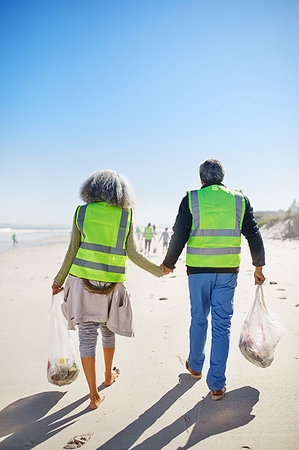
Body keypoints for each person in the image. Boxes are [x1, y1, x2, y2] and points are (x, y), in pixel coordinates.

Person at [52, 170, 167, 409]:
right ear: (121, 192)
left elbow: (72, 250)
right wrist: (159, 270)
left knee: (86, 337)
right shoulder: (126, 215)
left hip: (82, 282)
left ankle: (93, 395)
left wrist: (58, 280)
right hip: (112, 285)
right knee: (107, 331)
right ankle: (107, 375)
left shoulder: (82, 212)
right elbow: (133, 253)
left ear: (91, 189)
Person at [162, 159, 265, 401]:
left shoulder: (191, 198)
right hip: (227, 272)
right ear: (222, 177)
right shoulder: (239, 200)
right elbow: (253, 233)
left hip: (198, 271)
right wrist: (258, 266)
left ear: (201, 179)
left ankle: (196, 366)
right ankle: (217, 384)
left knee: (199, 318)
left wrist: (169, 263)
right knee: (222, 325)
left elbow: (179, 234)